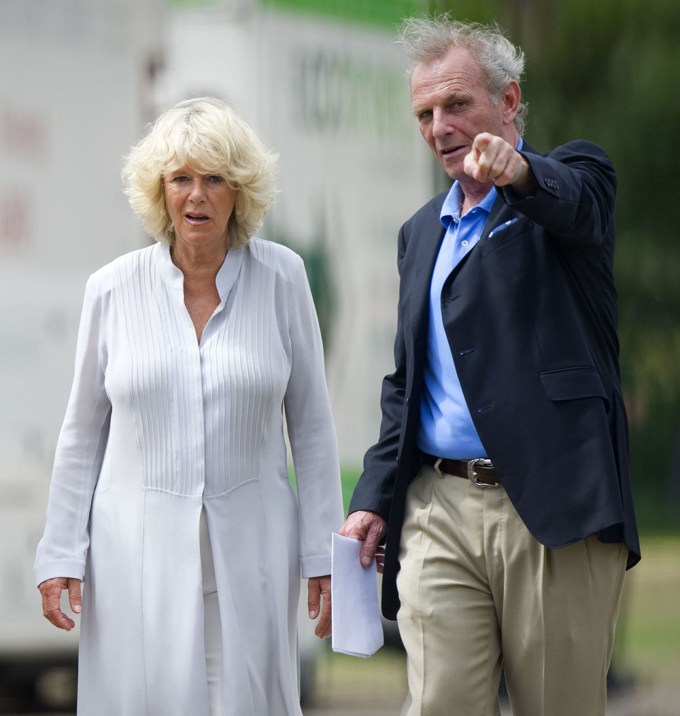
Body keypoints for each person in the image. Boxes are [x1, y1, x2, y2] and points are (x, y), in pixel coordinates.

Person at [340, 16, 640, 716]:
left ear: (507, 102)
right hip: (438, 508)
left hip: (553, 508)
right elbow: (406, 385)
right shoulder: (420, 232)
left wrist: (521, 173)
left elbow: (578, 204)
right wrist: (371, 497)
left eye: (457, 105)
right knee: (440, 702)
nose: (439, 126)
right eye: (424, 113)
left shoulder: (573, 181)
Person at [34, 97, 344, 715]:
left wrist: (323, 556)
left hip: (253, 554)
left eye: (214, 179)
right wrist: (60, 551)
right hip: (133, 561)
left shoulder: (283, 279)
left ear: (240, 191)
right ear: (160, 191)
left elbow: (311, 429)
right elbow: (81, 434)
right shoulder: (112, 290)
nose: (196, 196)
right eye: (181, 179)